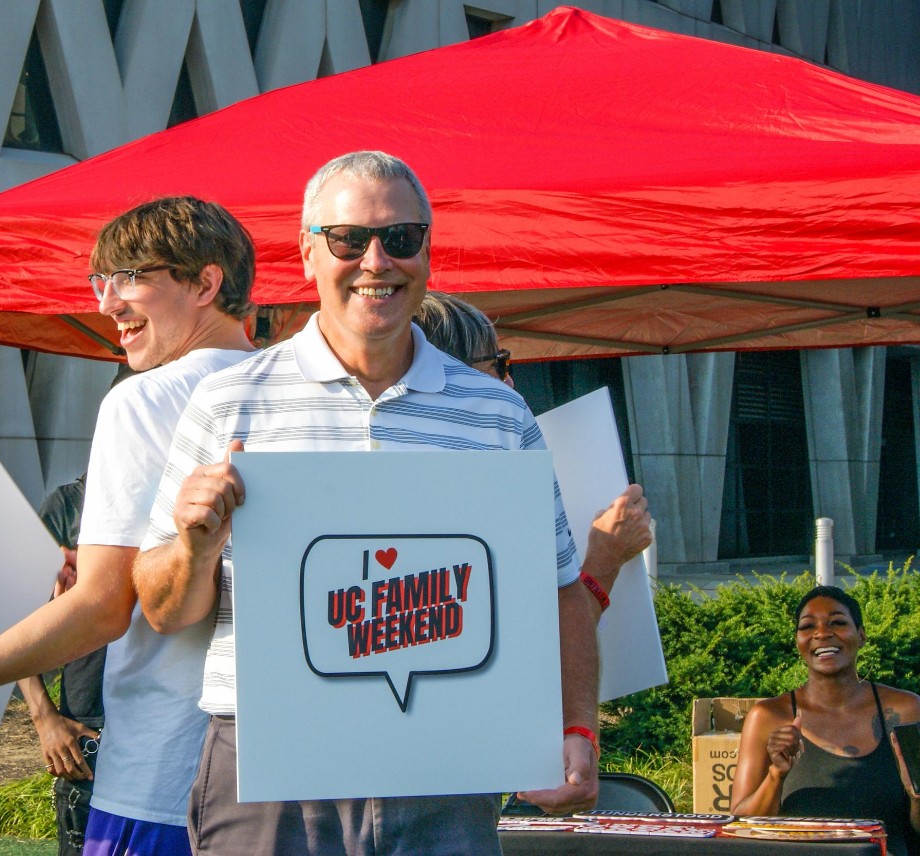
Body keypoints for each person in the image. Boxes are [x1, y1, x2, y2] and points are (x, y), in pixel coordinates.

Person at [132, 151, 606, 855]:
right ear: (307, 254)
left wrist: (576, 728)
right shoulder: (230, 401)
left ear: (427, 255)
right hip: (272, 766)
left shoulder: (496, 414)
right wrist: (195, 546)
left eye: (402, 238)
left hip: (446, 761)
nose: (376, 261)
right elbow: (164, 610)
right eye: (349, 239)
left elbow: (558, 588)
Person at [0, 195, 258, 856]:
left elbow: (99, 611)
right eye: (102, 282)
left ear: (206, 283)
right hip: (287, 792)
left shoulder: (144, 399)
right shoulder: (309, 391)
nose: (107, 304)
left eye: (131, 278)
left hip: (163, 780)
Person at [413, 290, 652, 595]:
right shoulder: (478, 499)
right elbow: (551, 629)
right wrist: (607, 556)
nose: (510, 381)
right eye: (499, 365)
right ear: (452, 376)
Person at [731, 585, 920, 855]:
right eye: (808, 626)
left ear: (862, 635)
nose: (821, 633)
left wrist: (916, 797)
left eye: (838, 622)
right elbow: (741, 827)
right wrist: (776, 775)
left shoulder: (906, 709)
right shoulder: (768, 717)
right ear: (797, 642)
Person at [18, 475, 105, 856]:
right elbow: (18, 618)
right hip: (90, 722)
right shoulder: (71, 504)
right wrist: (44, 718)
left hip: (167, 720)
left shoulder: (171, 492)